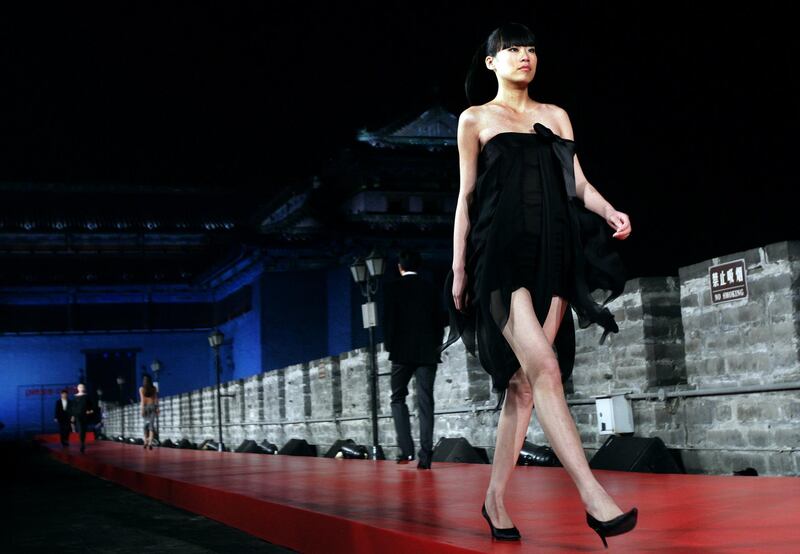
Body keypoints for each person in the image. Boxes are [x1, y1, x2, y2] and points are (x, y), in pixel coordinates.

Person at [442, 23, 636, 546]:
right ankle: (593, 497)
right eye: (511, 49)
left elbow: (577, 182)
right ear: (491, 62)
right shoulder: (476, 119)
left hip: (554, 254)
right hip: (499, 257)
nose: (524, 57)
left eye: (530, 49)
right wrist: (460, 268)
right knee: (545, 367)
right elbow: (465, 198)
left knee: (524, 387)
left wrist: (608, 207)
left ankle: (494, 500)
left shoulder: (555, 116)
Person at [383, 249, 445, 469]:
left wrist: (391, 347)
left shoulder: (392, 289)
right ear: (418, 267)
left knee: (397, 397)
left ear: (400, 267)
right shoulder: (430, 289)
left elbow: (388, 322)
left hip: (401, 353)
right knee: (425, 402)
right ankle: (425, 455)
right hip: (427, 352)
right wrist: (436, 345)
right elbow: (440, 320)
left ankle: (406, 450)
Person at [70, 383, 95, 454]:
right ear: (77, 388)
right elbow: (73, 407)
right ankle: (82, 443)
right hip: (78, 415)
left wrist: (90, 411)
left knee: (83, 430)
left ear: (84, 388)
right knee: (80, 429)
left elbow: (91, 405)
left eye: (82, 387)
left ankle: (82, 442)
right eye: (80, 387)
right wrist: (73, 416)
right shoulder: (74, 397)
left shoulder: (87, 396)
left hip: (85, 415)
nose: (81, 388)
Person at [139, 374, 159, 450]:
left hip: (146, 407)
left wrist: (142, 409)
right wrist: (157, 408)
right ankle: (150, 442)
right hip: (153, 407)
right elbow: (155, 399)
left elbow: (142, 400)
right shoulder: (154, 388)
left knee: (145, 426)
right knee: (151, 426)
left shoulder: (141, 389)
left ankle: (145, 441)